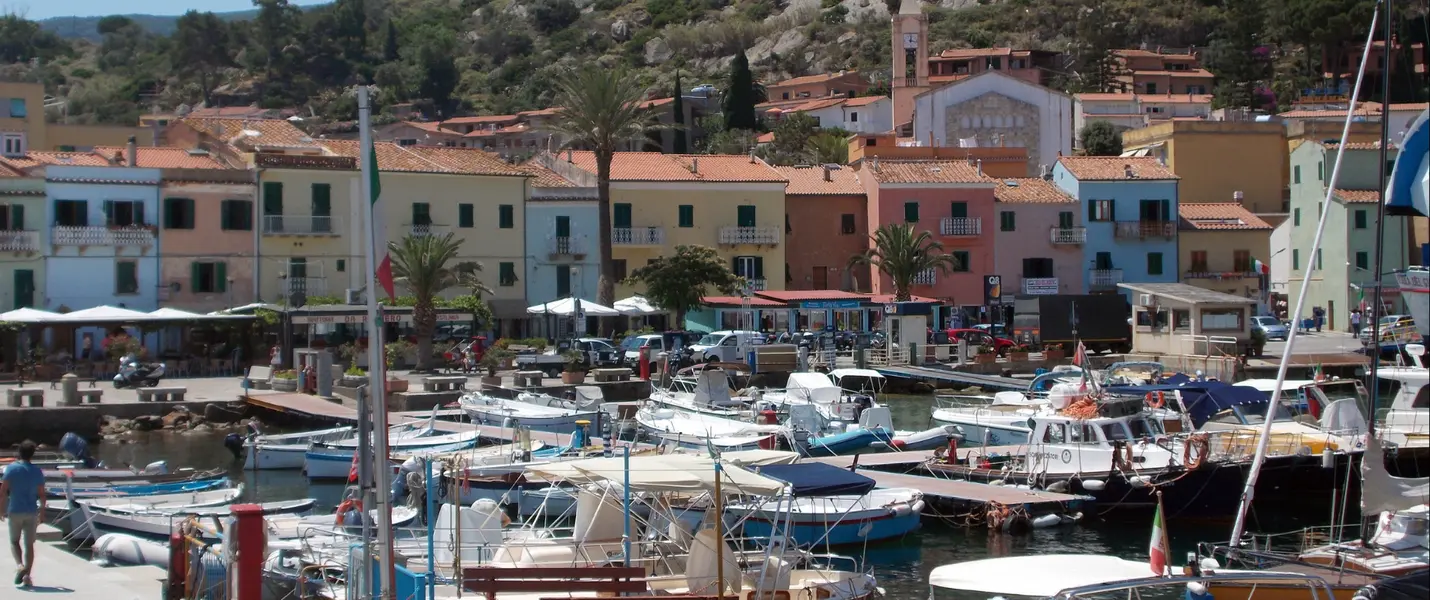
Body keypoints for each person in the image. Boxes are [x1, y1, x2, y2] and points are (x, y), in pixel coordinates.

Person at [0, 440, 45, 587]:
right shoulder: (37, 471)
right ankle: (27, 576)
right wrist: (42, 513)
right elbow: (42, 495)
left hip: (15, 510)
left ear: (19, 452)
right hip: (31, 511)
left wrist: (1, 509)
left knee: (14, 541)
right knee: (29, 545)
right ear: (32, 454)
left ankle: (20, 565)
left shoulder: (11, 469)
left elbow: (3, 492)